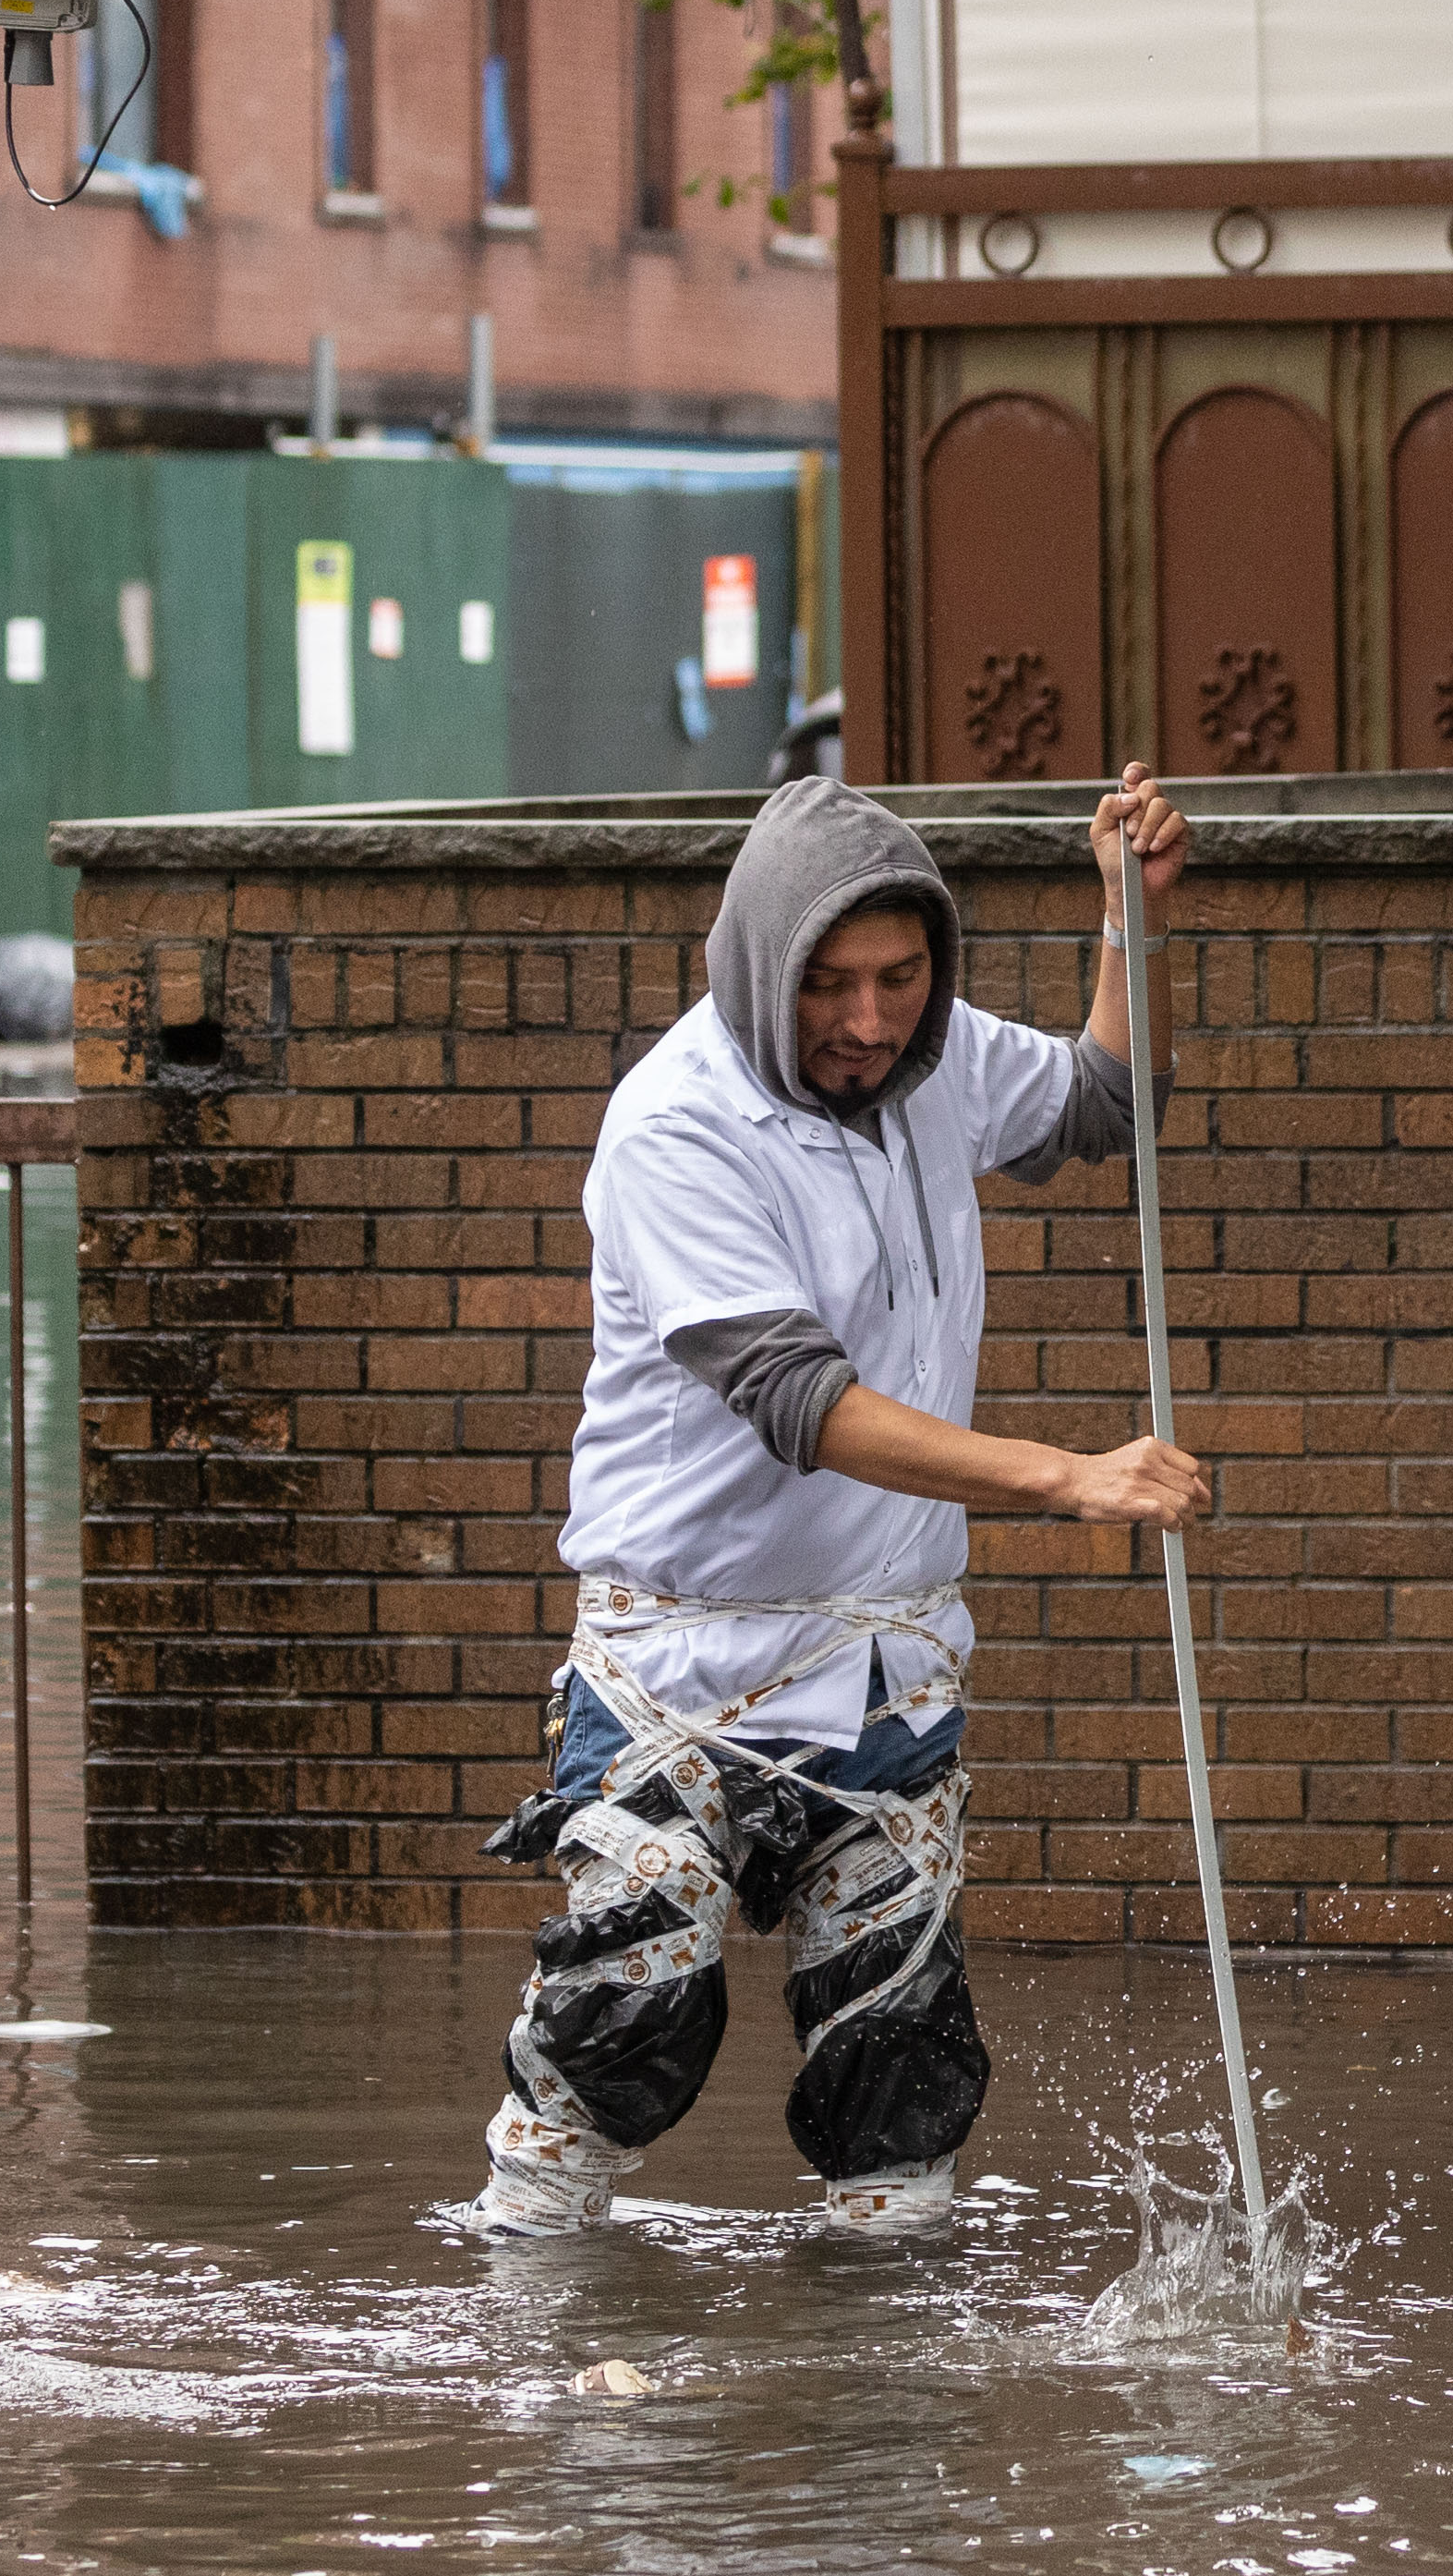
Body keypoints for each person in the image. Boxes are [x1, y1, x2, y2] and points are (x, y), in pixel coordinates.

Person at [445, 764, 1207, 2241]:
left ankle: (879, 2425)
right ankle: (531, 2382)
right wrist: (1067, 1476)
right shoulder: (675, 1126)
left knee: (899, 2074)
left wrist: (1133, 926)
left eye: (901, 978)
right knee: (619, 2033)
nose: (868, 1022)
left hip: (881, 1665)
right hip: (677, 1661)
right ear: (754, 969)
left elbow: (1106, 1104)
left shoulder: (939, 1061)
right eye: (829, 988)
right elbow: (801, 1401)